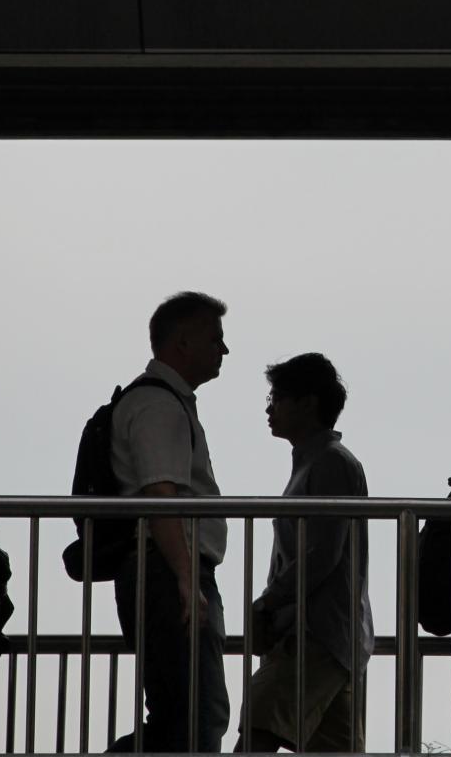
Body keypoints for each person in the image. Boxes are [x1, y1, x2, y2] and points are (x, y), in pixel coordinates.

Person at [109, 292, 231, 752]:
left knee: (182, 715)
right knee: (195, 717)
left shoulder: (162, 401)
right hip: (168, 569)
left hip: (165, 569)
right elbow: (160, 496)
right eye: (216, 339)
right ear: (183, 342)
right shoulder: (159, 406)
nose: (224, 349)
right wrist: (186, 580)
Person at [243, 353, 373, 753]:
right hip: (330, 638)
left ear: (308, 402)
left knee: (256, 734)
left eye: (278, 397)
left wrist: (268, 602)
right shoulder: (317, 462)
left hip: (314, 635)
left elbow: (321, 554)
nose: (270, 407)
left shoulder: (330, 463)